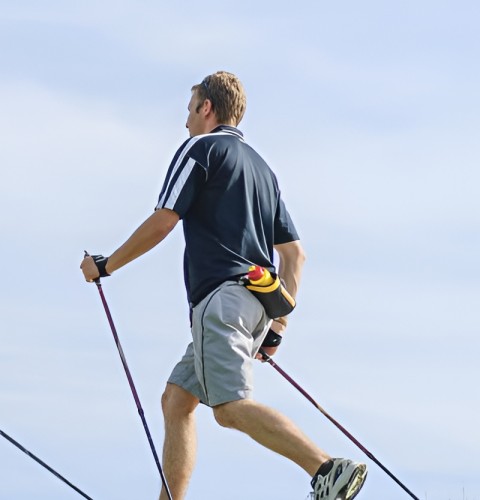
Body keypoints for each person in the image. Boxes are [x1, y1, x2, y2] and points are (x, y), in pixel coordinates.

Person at [80, 71, 367, 500]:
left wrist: (106, 266)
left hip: (220, 302)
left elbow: (164, 220)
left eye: (190, 109)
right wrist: (277, 331)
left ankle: (326, 468)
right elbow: (295, 256)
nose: (186, 121)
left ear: (207, 108)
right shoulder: (263, 170)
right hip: (255, 306)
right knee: (177, 399)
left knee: (230, 409)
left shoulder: (202, 148)